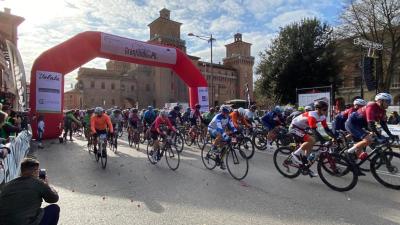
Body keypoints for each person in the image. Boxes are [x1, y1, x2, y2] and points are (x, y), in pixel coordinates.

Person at [0, 158, 59, 225]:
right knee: (54, 209)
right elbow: (54, 198)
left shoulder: (7, 185)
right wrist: (47, 185)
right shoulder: (38, 183)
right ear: (35, 171)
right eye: (38, 170)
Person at [345, 93, 398, 165]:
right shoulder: (371, 106)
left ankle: (354, 163)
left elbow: (383, 124)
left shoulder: (382, 110)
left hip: (361, 125)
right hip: (352, 124)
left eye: (389, 102)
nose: (389, 104)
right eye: (387, 101)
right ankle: (348, 152)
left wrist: (390, 135)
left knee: (366, 141)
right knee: (368, 140)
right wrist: (378, 136)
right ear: (380, 101)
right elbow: (370, 124)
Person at [289, 100, 336, 177]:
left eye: (326, 109)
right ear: (317, 109)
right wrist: (323, 141)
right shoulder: (312, 116)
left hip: (302, 128)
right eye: (324, 109)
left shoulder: (322, 116)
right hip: (294, 127)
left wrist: (335, 138)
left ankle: (305, 165)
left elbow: (327, 129)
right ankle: (295, 154)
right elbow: (314, 131)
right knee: (312, 140)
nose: (326, 111)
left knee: (311, 145)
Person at [208, 105, 237, 169]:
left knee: (224, 145)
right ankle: (213, 148)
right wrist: (225, 135)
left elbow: (232, 125)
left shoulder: (228, 117)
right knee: (220, 135)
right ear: (221, 112)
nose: (226, 114)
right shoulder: (218, 117)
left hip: (220, 130)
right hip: (212, 129)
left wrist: (235, 132)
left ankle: (221, 160)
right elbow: (219, 129)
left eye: (227, 113)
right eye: (225, 112)